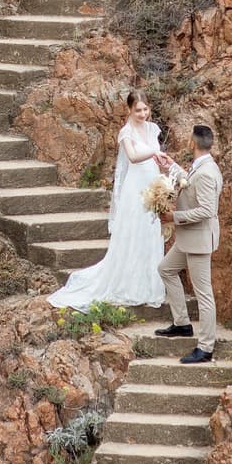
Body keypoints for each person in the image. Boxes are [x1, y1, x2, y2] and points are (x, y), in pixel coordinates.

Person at [49, 91, 167, 312]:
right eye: (138, 110)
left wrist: (162, 178)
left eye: (145, 109)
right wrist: (153, 153)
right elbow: (132, 157)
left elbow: (155, 157)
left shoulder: (152, 129)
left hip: (151, 182)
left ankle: (148, 283)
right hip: (136, 187)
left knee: (150, 231)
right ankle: (129, 283)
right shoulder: (126, 132)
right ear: (130, 110)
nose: (143, 114)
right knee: (134, 230)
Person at [155, 124, 224, 364]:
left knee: (204, 294)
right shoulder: (202, 166)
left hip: (198, 241)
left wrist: (173, 218)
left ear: (192, 143)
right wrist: (171, 166)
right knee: (165, 269)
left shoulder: (206, 173)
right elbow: (188, 181)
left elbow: (207, 210)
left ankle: (206, 348)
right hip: (188, 239)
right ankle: (182, 323)